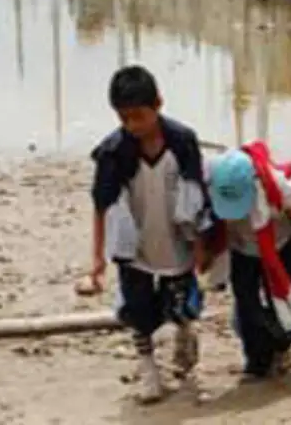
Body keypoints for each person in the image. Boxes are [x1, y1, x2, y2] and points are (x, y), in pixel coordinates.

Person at [81, 65, 211, 403]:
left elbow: (197, 196)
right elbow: (101, 205)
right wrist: (97, 258)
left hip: (176, 243)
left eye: (139, 116)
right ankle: (148, 368)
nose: (133, 126)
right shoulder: (113, 152)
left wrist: (200, 245)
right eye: (125, 119)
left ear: (158, 104)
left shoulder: (182, 142)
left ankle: (185, 333)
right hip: (134, 248)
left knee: (182, 304)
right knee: (137, 311)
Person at [206, 141, 291, 379]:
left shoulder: (278, 187)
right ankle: (257, 362)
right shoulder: (212, 183)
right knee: (247, 306)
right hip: (242, 250)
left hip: (281, 246)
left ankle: (281, 347)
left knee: (288, 298)